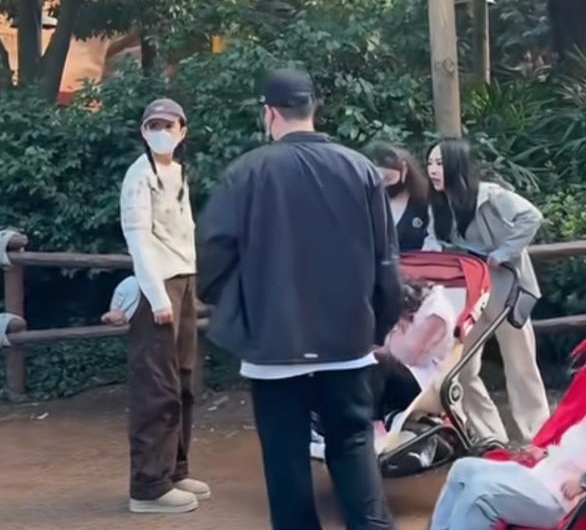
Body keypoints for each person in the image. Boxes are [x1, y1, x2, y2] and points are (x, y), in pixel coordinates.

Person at [196, 68, 402, 530]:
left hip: (274, 345)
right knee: (353, 446)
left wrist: (242, 310)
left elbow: (212, 252)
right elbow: (386, 259)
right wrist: (379, 324)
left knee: (284, 458)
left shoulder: (246, 172)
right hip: (347, 343)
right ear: (314, 109)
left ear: (269, 113)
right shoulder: (359, 169)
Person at [429, 340, 586, 530]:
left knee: (479, 496)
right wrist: (549, 454)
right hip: (547, 473)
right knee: (463, 469)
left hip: (559, 498)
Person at [424, 138, 549, 443]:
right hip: (469, 294)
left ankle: (538, 436)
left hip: (505, 291)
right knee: (462, 368)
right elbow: (432, 240)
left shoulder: (491, 196)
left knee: (521, 365)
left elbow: (532, 216)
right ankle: (490, 437)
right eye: (429, 163)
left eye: (440, 163)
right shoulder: (437, 205)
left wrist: (504, 252)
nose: (433, 170)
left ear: (457, 165)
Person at [120, 98, 209, 514]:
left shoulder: (179, 172)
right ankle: (148, 486)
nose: (161, 131)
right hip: (157, 287)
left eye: (168, 125)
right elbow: (138, 238)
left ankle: (175, 469)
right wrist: (157, 297)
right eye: (153, 125)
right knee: (156, 386)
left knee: (184, 380)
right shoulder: (139, 176)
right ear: (143, 131)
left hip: (184, 280)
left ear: (181, 130)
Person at [371, 281, 456, 423]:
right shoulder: (423, 303)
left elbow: (411, 356)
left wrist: (395, 332)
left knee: (375, 362)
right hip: (407, 374)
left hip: (423, 382)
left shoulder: (436, 312)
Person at [366, 142, 430, 252]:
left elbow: (432, 242)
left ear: (404, 171)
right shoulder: (370, 201)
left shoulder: (424, 204)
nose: (383, 182)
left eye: (388, 177)